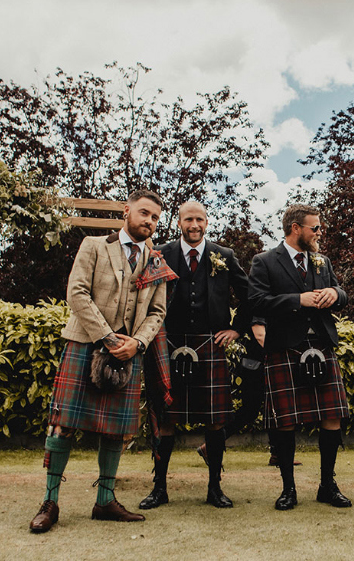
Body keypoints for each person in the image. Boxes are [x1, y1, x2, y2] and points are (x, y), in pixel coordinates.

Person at [29, 190, 172, 533]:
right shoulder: (94, 245)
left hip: (127, 353)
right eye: (144, 213)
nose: (149, 221)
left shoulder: (156, 261)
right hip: (86, 344)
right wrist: (107, 338)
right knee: (63, 424)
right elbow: (77, 292)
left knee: (116, 430)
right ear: (127, 211)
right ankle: (50, 501)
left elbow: (158, 311)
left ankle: (105, 500)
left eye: (155, 218)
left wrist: (136, 343)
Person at [139, 201, 252, 510]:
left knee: (215, 421)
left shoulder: (224, 256)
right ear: (179, 222)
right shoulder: (160, 254)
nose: (195, 224)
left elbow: (250, 296)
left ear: (206, 222)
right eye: (189, 219)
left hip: (210, 344)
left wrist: (236, 329)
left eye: (200, 219)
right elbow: (143, 295)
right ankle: (159, 488)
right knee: (165, 419)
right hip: (168, 344)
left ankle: (214, 488)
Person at [248, 204, 352, 510]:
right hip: (284, 348)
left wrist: (336, 294)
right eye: (315, 228)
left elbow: (341, 293)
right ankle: (288, 489)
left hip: (322, 346)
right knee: (286, 422)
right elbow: (256, 301)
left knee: (332, 416)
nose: (320, 232)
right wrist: (298, 300)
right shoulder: (265, 261)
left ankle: (327, 485)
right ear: (296, 229)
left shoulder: (322, 261)